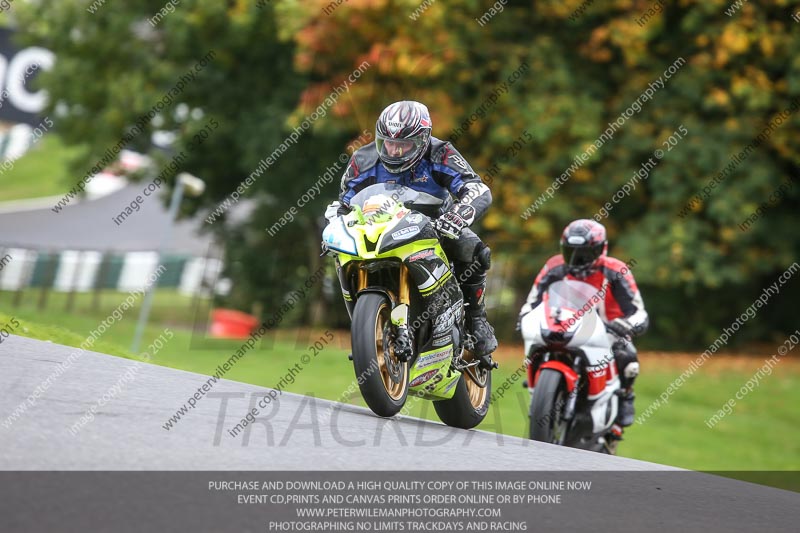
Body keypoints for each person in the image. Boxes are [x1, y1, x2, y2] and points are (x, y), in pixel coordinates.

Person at [334, 100, 497, 365]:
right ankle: (365, 330)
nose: (395, 151)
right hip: (378, 227)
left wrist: (458, 215)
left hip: (433, 226)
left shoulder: (441, 153)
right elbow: (343, 203)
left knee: (475, 250)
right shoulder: (362, 160)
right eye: (389, 143)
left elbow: (476, 188)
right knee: (340, 254)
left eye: (404, 145)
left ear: (422, 140)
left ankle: (477, 319)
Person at [518, 219, 648, 427]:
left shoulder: (616, 271)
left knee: (628, 356)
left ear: (601, 249)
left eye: (585, 254)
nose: (578, 260)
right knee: (539, 343)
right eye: (571, 252)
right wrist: (524, 317)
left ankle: (625, 396)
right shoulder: (554, 266)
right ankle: (542, 390)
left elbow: (638, 311)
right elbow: (532, 301)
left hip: (607, 330)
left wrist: (627, 324)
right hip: (562, 324)